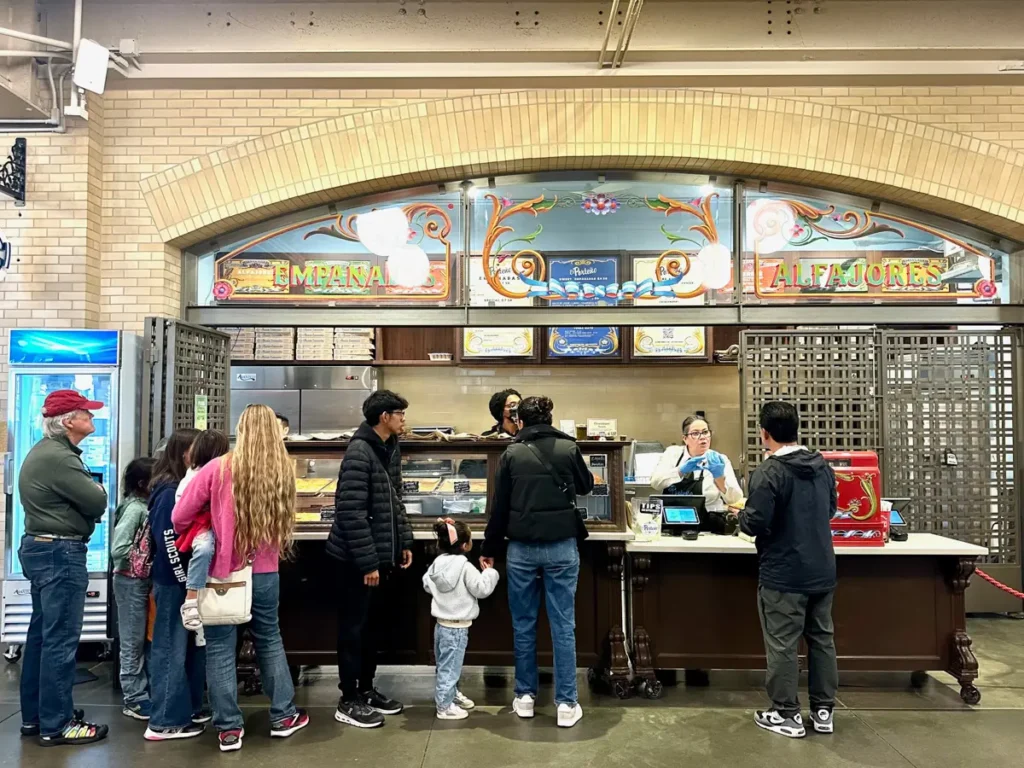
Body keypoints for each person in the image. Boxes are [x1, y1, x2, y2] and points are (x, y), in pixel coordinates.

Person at [175, 404, 309, 752]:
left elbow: (179, 516)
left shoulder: (218, 468)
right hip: (265, 572)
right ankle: (283, 716)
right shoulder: (282, 469)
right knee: (269, 639)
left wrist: (209, 525)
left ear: (242, 430)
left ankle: (229, 729)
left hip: (224, 573)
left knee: (220, 648)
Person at [481, 395, 594, 728]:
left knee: (524, 624)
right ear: (550, 418)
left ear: (520, 421)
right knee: (563, 625)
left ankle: (525, 697)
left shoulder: (512, 454)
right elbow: (586, 486)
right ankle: (566, 703)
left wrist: (489, 547)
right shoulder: (569, 448)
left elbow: (499, 507)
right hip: (561, 547)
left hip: (521, 549)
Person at [737, 401, 839, 739]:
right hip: (822, 569)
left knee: (782, 644)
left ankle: (786, 714)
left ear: (764, 433)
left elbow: (754, 523)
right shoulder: (822, 466)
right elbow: (830, 509)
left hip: (783, 573)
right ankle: (823, 711)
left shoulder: (769, 472)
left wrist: (739, 515)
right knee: (822, 640)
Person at [17, 390, 108, 746]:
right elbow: (97, 499)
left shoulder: (47, 452)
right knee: (60, 641)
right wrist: (96, 493)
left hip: (41, 548)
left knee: (41, 637)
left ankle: (36, 718)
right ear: (69, 421)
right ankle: (57, 724)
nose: (92, 417)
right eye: (87, 412)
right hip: (60, 553)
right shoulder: (60, 458)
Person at [327, 389, 414, 729]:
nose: (404, 419)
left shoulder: (389, 446)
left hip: (379, 555)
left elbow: (395, 498)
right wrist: (368, 563)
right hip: (355, 561)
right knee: (353, 630)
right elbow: (350, 512)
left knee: (372, 628)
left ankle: (366, 689)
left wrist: (403, 540)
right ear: (384, 417)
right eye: (400, 414)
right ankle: (348, 699)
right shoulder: (360, 451)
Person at [145, 427, 208, 741]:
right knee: (170, 647)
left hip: (178, 582)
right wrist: (187, 583)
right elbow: (168, 541)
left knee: (185, 648)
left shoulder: (175, 486)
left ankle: (189, 708)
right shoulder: (170, 492)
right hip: (173, 583)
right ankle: (165, 720)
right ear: (184, 453)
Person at [423, 517, 500, 721]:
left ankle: (451, 694)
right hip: (457, 628)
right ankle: (444, 706)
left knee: (444, 665)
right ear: (465, 545)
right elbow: (481, 589)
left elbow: (426, 583)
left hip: (440, 625)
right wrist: (490, 573)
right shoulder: (465, 567)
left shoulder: (437, 564)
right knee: (451, 668)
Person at [111, 456, 157, 721]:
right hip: (130, 581)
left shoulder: (141, 505)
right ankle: (134, 698)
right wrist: (141, 560)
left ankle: (142, 692)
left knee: (143, 638)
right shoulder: (135, 510)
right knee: (132, 641)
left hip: (141, 581)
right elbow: (118, 549)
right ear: (142, 483)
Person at [175, 429, 231, 640]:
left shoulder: (220, 472)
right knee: (205, 548)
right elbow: (181, 514)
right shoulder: (196, 476)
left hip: (218, 524)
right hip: (200, 526)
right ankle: (191, 599)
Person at [650, 415, 744, 516]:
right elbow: (655, 483)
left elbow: (735, 499)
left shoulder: (720, 460)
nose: (702, 437)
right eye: (695, 433)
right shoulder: (672, 454)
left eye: (705, 432)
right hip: (672, 517)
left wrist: (719, 479)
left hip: (708, 520)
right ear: (685, 438)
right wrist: (680, 471)